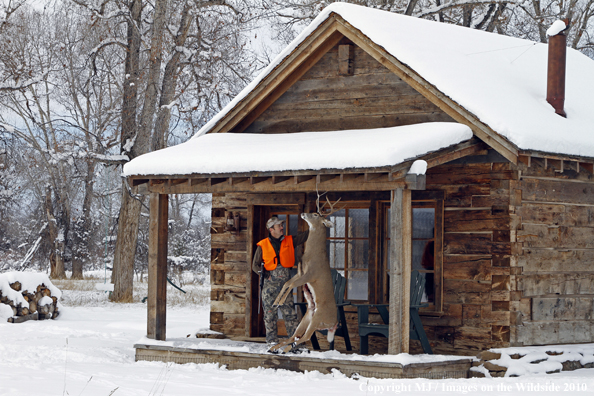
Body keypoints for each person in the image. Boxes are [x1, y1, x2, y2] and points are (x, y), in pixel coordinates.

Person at [252, 216, 309, 347]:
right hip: (269, 286)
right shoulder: (263, 245)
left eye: (282, 225)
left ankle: (295, 342)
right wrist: (266, 275)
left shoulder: (290, 240)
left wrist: (317, 224)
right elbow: (255, 266)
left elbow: (305, 236)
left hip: (285, 286)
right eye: (279, 226)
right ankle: (272, 343)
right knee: (270, 315)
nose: (282, 227)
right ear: (271, 229)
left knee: (290, 314)